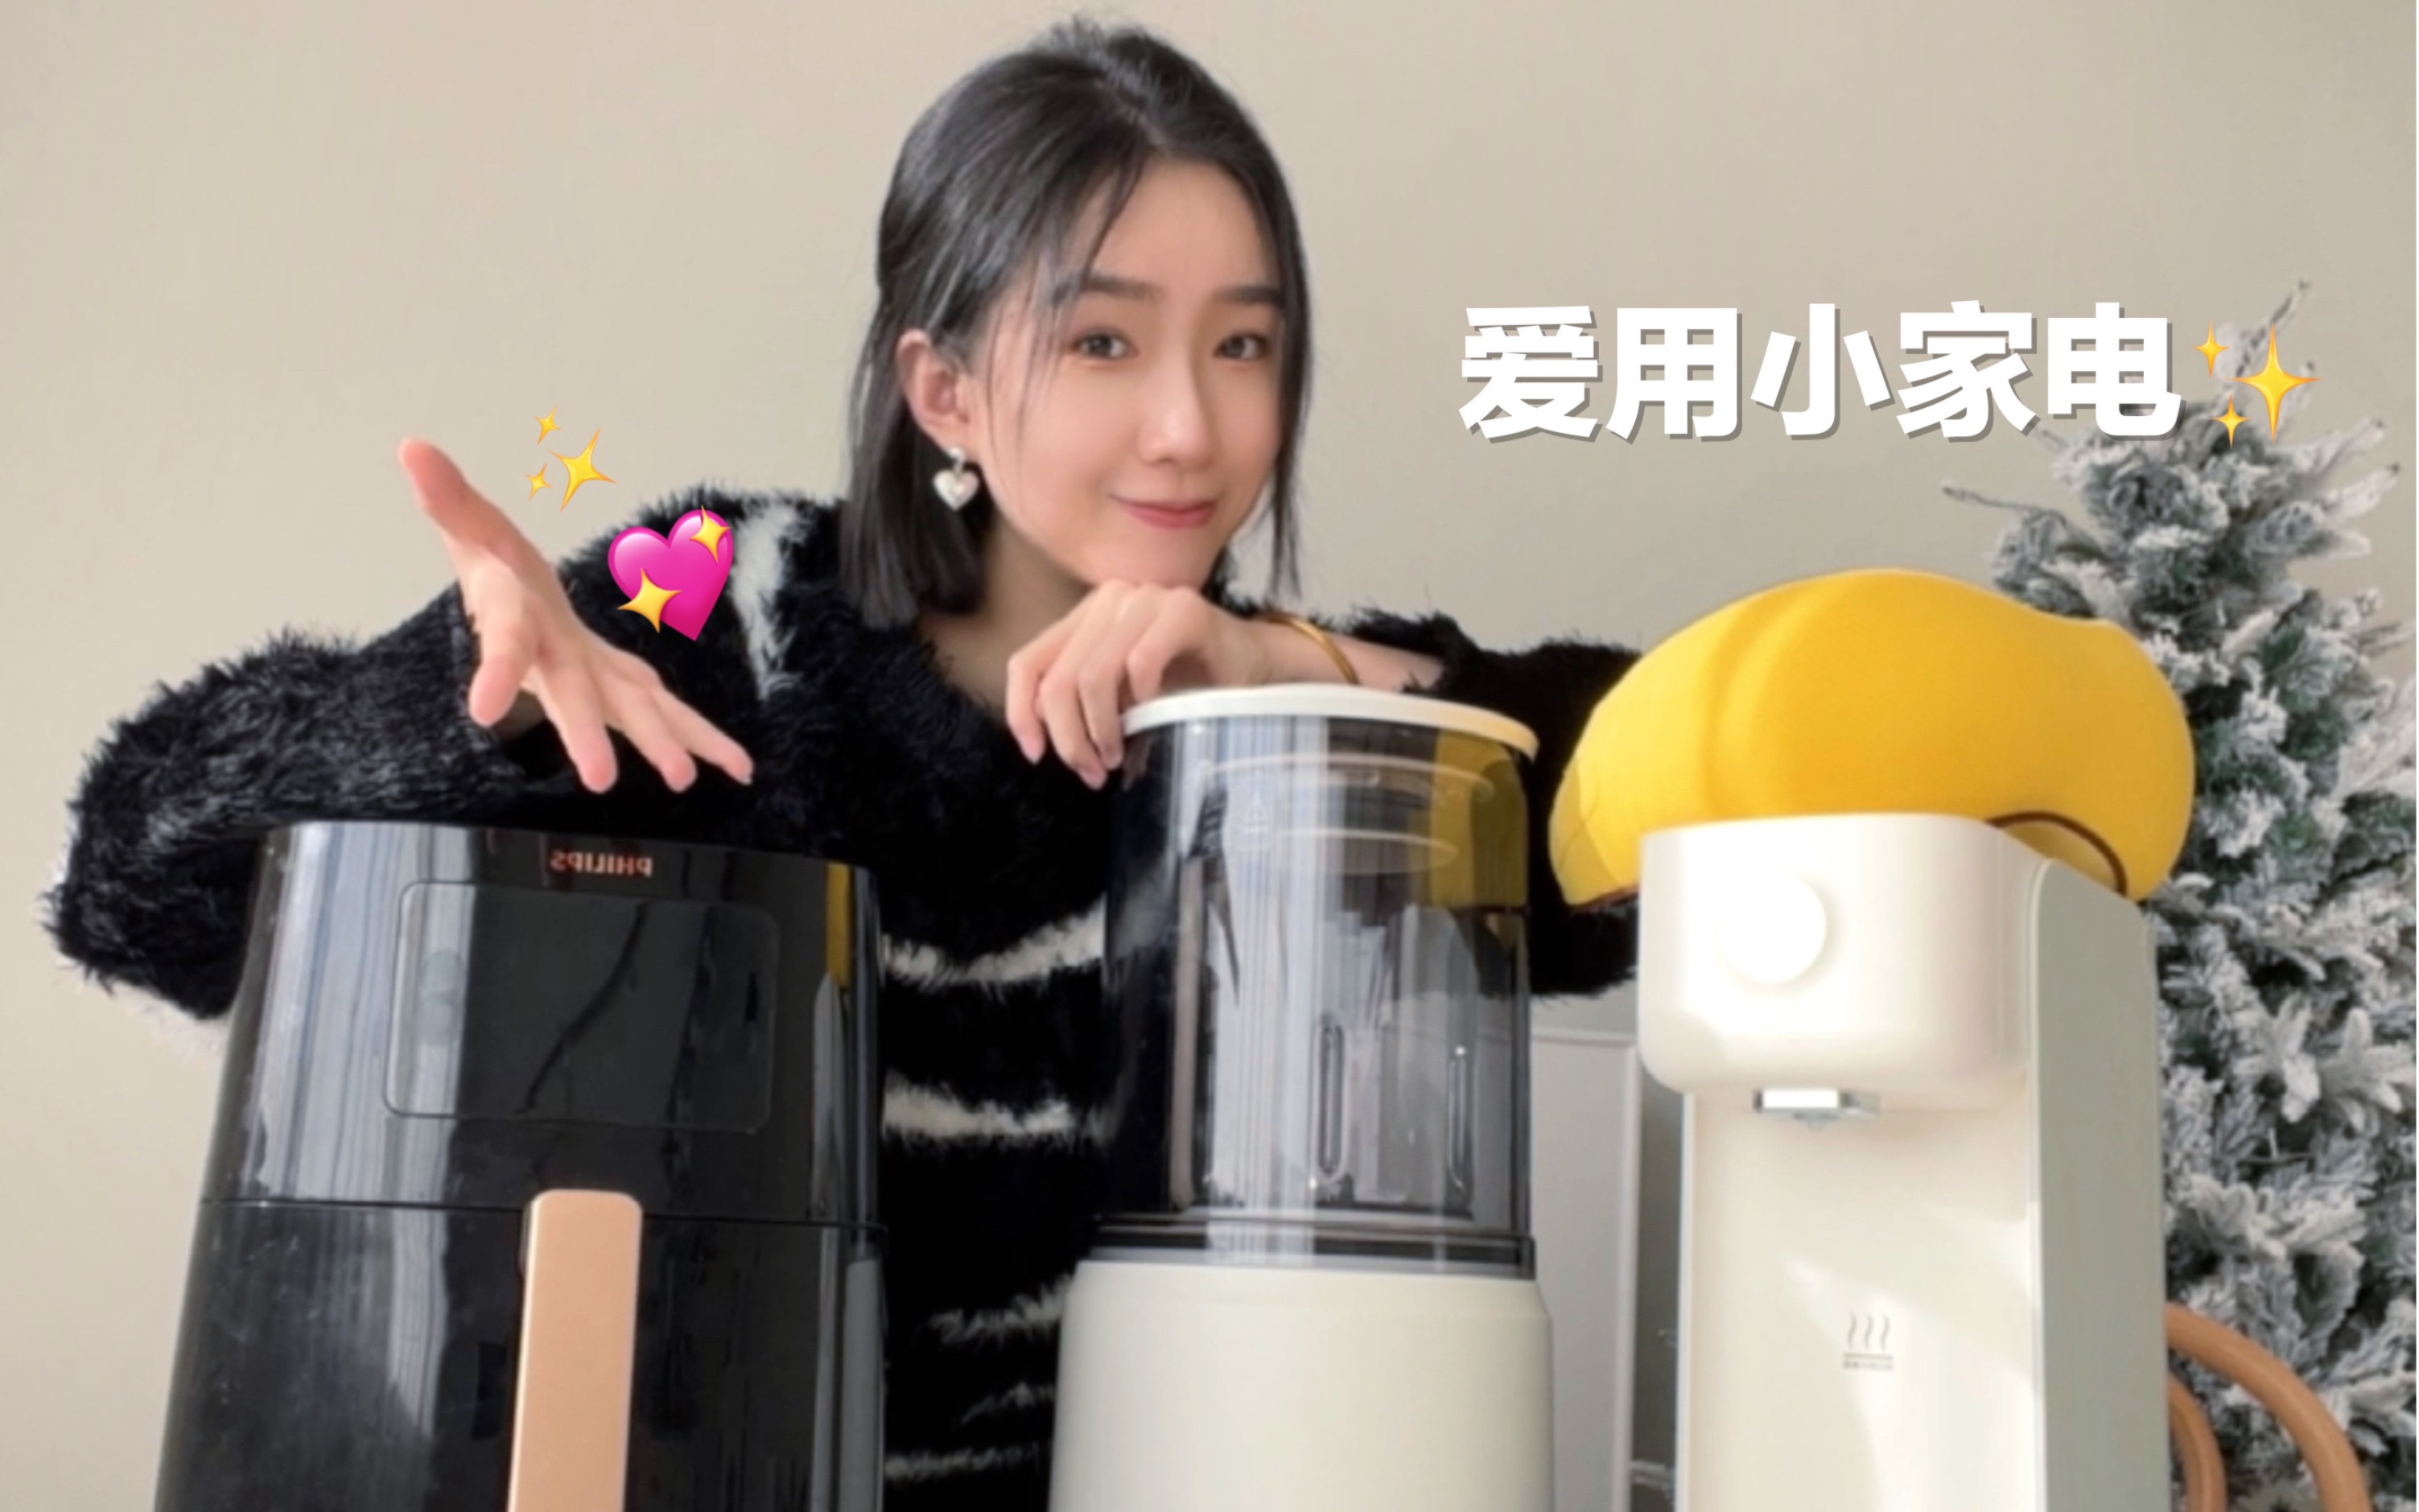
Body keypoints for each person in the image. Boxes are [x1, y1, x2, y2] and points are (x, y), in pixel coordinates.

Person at [42, 18, 1638, 1510]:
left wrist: (1283, 674)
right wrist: (455, 712)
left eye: (1242, 345)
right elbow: (136, 882)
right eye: (1102, 340)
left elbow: (1668, 796)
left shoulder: (1291, 721)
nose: (1188, 428)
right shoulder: (713, 602)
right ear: (943, 390)